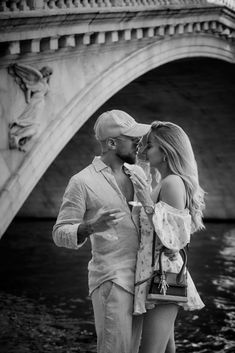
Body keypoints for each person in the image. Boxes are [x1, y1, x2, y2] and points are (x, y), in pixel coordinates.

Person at [52, 110, 151, 353]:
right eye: (132, 137)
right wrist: (89, 227)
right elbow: (59, 232)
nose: (138, 141)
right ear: (111, 143)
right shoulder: (82, 181)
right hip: (111, 280)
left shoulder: (138, 173)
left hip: (143, 279)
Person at [129, 121, 205, 353]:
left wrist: (146, 201)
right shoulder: (164, 181)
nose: (144, 151)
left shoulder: (172, 182)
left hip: (164, 275)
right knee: (167, 349)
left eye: (150, 146)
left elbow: (175, 238)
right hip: (156, 272)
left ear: (166, 150)